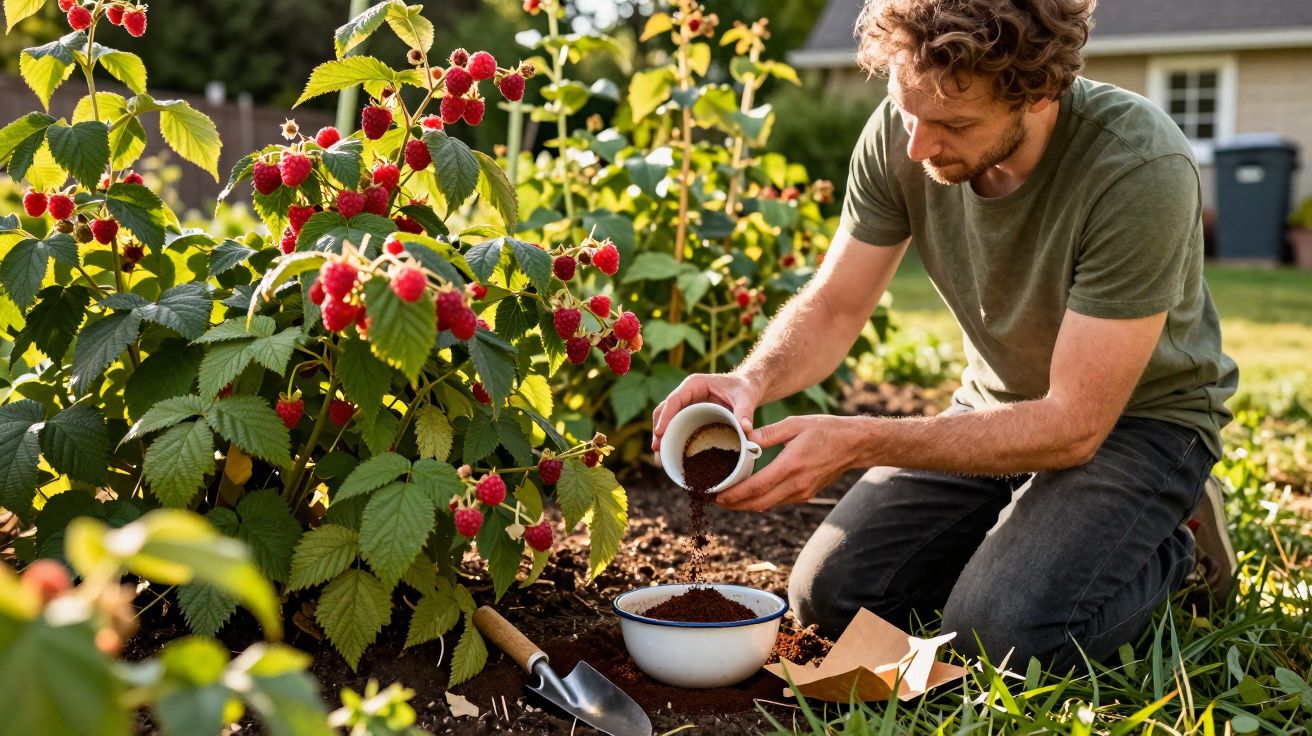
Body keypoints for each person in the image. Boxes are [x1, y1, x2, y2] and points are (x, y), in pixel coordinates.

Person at [650, 0, 1239, 670]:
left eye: (954, 124)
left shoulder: (1137, 166)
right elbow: (837, 305)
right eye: (908, 111)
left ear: (1040, 94)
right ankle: (1035, 539)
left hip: (1138, 424)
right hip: (992, 409)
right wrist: (751, 379)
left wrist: (861, 440)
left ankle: (1176, 550)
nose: (917, 147)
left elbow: (1075, 426)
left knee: (1004, 636)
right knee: (832, 598)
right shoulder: (906, 130)